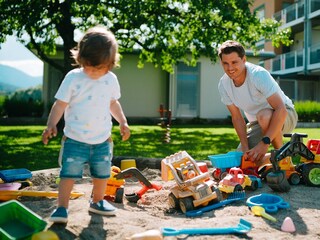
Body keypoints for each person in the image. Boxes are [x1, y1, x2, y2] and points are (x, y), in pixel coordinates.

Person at [42, 25, 131, 223]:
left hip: (102, 140)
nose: (94, 72)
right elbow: (60, 105)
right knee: (68, 175)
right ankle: (62, 208)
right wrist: (51, 125)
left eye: (99, 68)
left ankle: (97, 201)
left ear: (109, 64)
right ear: (81, 59)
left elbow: (113, 103)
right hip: (75, 140)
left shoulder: (111, 80)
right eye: (90, 66)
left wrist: (122, 122)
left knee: (102, 174)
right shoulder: (73, 78)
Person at [217, 40, 298, 164]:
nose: (230, 68)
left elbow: (280, 109)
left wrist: (264, 143)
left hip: (285, 114)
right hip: (257, 124)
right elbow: (237, 117)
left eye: (234, 62)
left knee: (264, 115)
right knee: (243, 160)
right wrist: (245, 147)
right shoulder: (223, 84)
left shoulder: (258, 75)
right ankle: (273, 160)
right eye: (225, 63)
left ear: (244, 60)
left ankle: (282, 157)